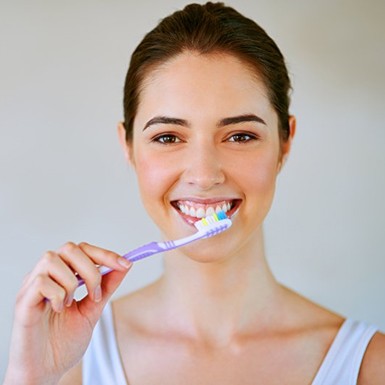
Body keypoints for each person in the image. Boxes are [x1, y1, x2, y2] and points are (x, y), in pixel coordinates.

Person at [3, 2, 385, 384]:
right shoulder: (74, 363)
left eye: (240, 136)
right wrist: (30, 377)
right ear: (129, 147)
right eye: (168, 137)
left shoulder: (371, 366)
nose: (204, 176)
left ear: (285, 144)